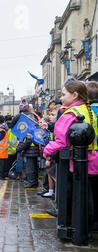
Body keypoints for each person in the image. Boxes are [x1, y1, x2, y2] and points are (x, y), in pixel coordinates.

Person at [43, 80, 98, 238]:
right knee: (89, 196)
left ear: (74, 95)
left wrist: (47, 151)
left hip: (76, 161)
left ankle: (76, 229)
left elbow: (61, 141)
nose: (61, 98)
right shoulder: (87, 110)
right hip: (92, 158)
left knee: (76, 197)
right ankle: (87, 227)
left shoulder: (71, 113)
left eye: (63, 94)